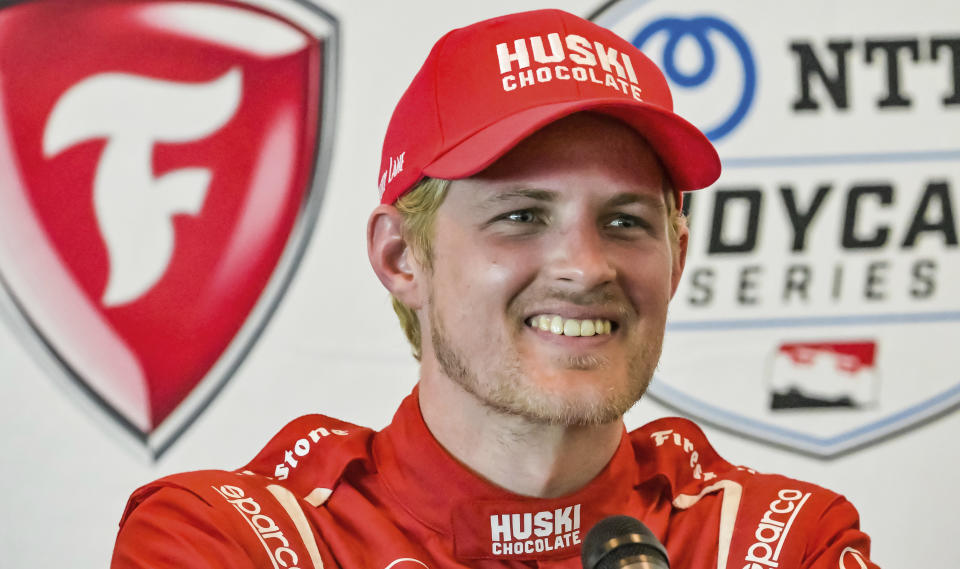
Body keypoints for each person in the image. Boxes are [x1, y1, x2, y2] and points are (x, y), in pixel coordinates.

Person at [112, 9, 880, 569]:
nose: (585, 267)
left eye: (625, 220)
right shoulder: (231, 541)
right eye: (521, 214)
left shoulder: (780, 541)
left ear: (678, 256)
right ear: (401, 256)